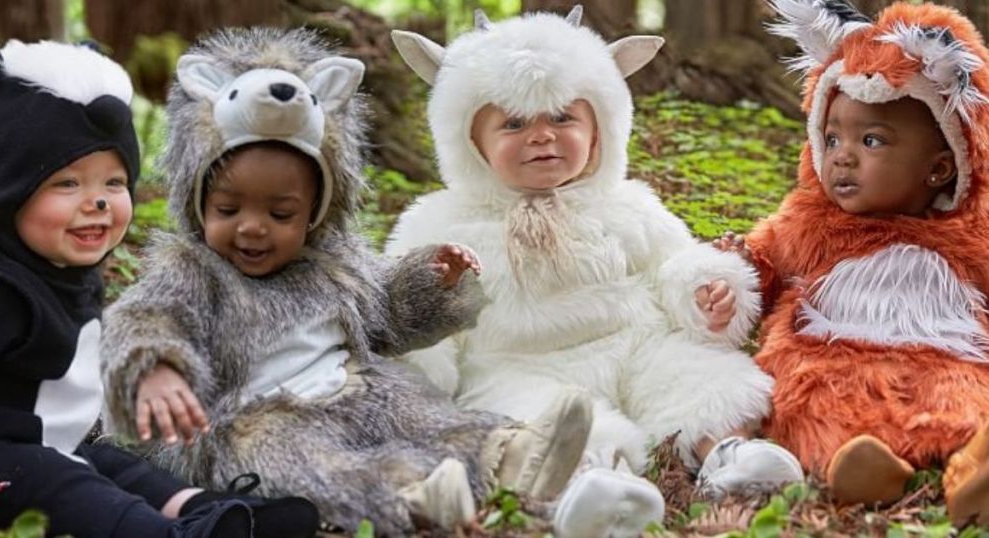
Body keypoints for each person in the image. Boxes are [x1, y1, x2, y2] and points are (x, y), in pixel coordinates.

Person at [99, 27, 609, 536]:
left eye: (281, 213)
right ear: (197, 201)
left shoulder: (332, 265)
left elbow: (385, 310)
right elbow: (143, 318)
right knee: (301, 462)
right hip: (246, 419)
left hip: (355, 393)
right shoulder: (190, 271)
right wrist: (155, 368)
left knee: (421, 415)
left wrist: (431, 280)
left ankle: (512, 457)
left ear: (316, 215)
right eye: (228, 209)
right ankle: (411, 496)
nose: (251, 227)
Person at [387, 7, 803, 534]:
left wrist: (703, 288)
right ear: (470, 141)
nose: (542, 136)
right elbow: (416, 305)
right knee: (544, 422)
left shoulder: (626, 205)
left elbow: (671, 263)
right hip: (519, 365)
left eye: (562, 117)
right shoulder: (441, 222)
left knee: (701, 378)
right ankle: (594, 485)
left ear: (601, 126)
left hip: (634, 345)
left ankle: (728, 455)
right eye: (514, 123)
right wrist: (422, 363)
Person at [0, 36, 318, 537]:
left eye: (113, 183)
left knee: (113, 463)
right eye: (67, 184)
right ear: (1, 190)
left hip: (42, 441)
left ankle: (205, 509)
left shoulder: (59, 271)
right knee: (65, 482)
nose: (99, 203)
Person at [726, 0, 989, 526]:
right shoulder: (814, 222)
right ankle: (862, 467)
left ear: (940, 168)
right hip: (832, 353)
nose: (842, 156)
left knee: (970, 402)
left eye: (872, 140)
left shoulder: (969, 234)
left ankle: (970, 472)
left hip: (947, 358)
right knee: (807, 402)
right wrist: (733, 269)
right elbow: (765, 260)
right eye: (831, 138)